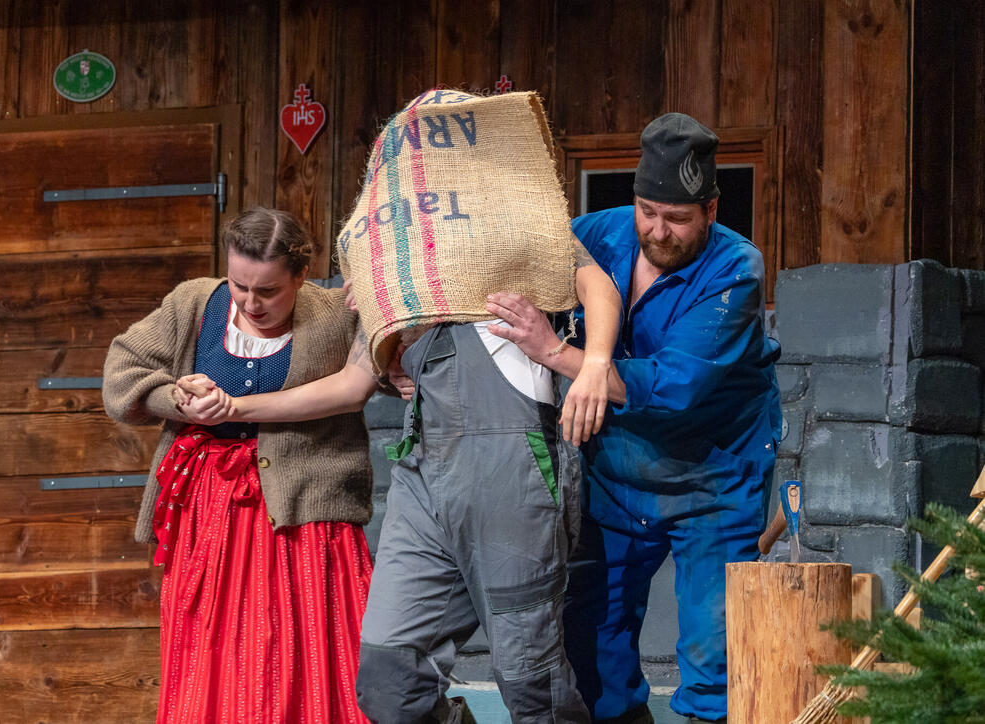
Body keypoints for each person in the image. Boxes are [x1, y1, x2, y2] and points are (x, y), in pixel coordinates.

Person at [177, 240, 623, 723]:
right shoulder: (401, 227)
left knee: (530, 680)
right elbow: (357, 377)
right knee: (388, 683)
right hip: (424, 473)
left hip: (510, 469)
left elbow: (595, 282)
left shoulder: (510, 212)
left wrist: (591, 359)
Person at [485, 113, 781, 724]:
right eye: (648, 210)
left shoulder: (736, 271)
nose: (658, 230)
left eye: (677, 218)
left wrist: (561, 355)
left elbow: (676, 384)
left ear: (712, 211)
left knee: (713, 653)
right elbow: (509, 262)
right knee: (593, 640)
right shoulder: (602, 233)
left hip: (712, 482)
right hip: (617, 475)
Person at [102, 207, 377, 723]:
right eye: (239, 285)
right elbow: (122, 375)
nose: (251, 302)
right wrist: (176, 397)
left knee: (316, 641)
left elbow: (382, 369)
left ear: (301, 275)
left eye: (269, 291)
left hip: (306, 512)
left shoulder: (337, 314)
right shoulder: (193, 303)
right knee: (215, 641)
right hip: (210, 512)